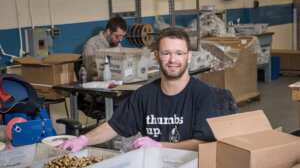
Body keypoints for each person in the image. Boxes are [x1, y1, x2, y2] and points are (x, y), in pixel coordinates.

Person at [59, 27, 221, 152]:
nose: (173, 60)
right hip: (153, 167)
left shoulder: (202, 95)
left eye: (179, 53)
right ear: (156, 56)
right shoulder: (145, 94)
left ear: (189, 56)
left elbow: (204, 143)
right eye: (166, 53)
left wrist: (160, 146)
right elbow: (114, 126)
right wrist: (83, 140)